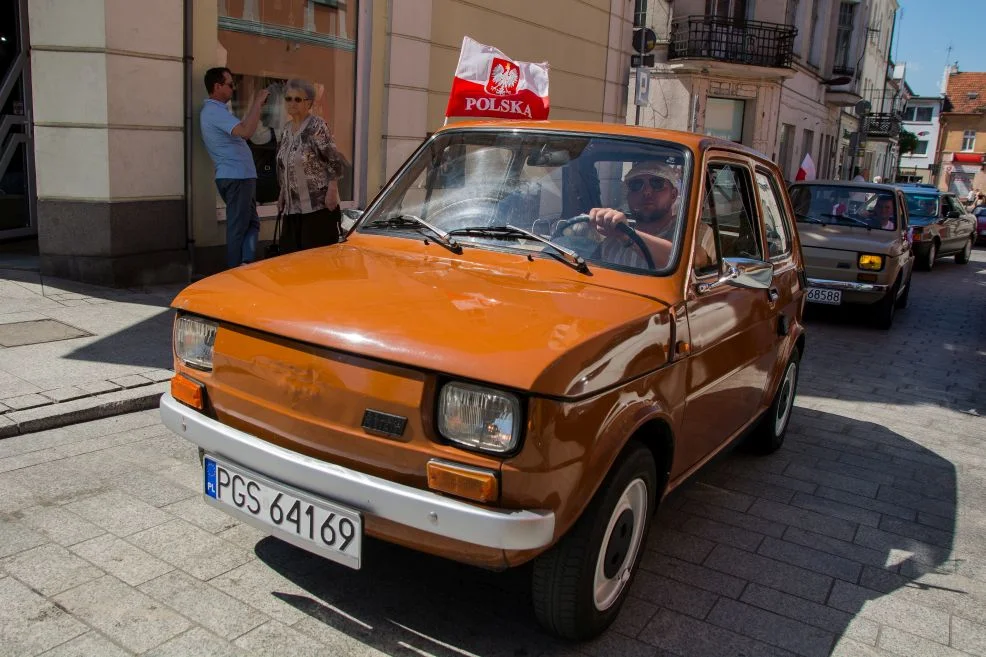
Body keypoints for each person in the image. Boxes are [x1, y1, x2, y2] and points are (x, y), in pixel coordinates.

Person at [584, 161, 715, 270]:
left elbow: (695, 261)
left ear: (673, 195)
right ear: (628, 196)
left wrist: (628, 236)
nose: (646, 192)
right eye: (636, 185)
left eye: (657, 184)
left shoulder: (697, 232)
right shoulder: (613, 240)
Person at [200, 67, 270, 268]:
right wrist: (257, 103)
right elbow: (246, 131)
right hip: (236, 177)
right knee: (238, 228)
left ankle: (246, 264)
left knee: (251, 224)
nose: (233, 89)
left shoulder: (218, 111)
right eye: (230, 85)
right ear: (217, 86)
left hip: (241, 176)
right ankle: (234, 272)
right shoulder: (213, 111)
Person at [276, 78, 345, 252]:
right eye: (288, 98)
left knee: (314, 261)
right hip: (292, 211)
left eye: (297, 99)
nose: (292, 103)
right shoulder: (286, 130)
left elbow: (334, 161)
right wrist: (283, 193)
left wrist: (332, 190)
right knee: (290, 260)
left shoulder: (317, 126)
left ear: (309, 103)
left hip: (317, 209)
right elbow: (284, 165)